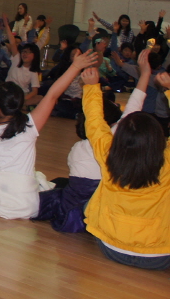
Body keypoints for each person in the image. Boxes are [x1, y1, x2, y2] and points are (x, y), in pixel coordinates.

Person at [34, 50, 152, 233]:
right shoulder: (117, 138)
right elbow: (135, 105)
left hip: (73, 215)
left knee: (56, 189)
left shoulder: (79, 148)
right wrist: (145, 73)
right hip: (103, 212)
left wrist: (91, 85)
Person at [0, 50, 98, 220]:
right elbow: (53, 94)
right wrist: (75, 66)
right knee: (58, 184)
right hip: (27, 207)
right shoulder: (28, 126)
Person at [81, 67, 170, 269]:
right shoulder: (167, 162)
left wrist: (92, 87)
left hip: (112, 248)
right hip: (160, 256)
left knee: (88, 205)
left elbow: (95, 124)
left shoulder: (108, 154)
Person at [2, 14, 42, 106]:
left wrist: (24, 98)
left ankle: (20, 105)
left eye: (28, 52)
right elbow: (12, 42)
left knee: (40, 98)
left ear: (34, 55)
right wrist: (6, 25)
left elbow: (34, 91)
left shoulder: (33, 71)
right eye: (24, 52)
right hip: (10, 90)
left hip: (22, 95)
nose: (24, 54)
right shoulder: (17, 58)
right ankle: (18, 105)